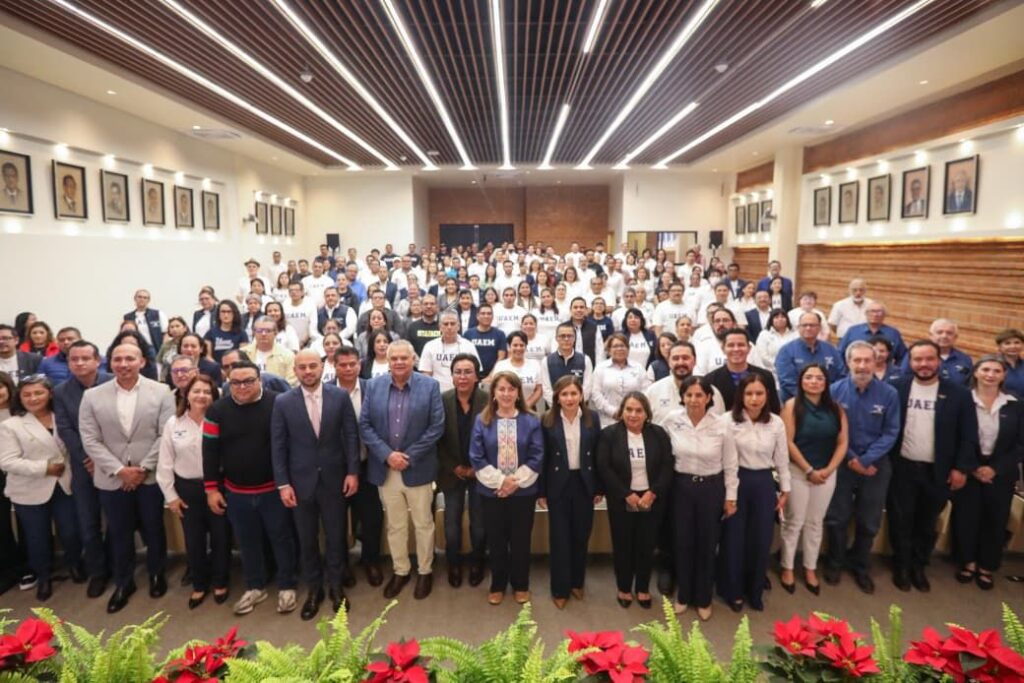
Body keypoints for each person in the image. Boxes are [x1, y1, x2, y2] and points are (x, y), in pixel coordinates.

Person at [79, 343, 175, 613]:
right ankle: (124, 581)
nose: (123, 364)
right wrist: (120, 470)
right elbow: (90, 439)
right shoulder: (92, 396)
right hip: (112, 478)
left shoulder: (161, 391)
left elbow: (165, 434)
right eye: (117, 359)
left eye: (129, 359)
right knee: (119, 532)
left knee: (154, 527)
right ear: (109, 363)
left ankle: (157, 574)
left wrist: (143, 468)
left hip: (149, 476)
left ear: (141, 361)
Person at [203, 359, 298, 616]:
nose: (242, 387)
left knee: (282, 538)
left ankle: (287, 585)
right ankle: (255, 586)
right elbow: (209, 452)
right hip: (237, 493)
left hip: (274, 490)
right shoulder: (216, 411)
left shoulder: (279, 403)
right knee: (247, 542)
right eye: (235, 382)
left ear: (260, 380)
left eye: (248, 381)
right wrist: (211, 489)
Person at [272, 350, 359, 619]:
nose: (308, 371)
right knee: (307, 540)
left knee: (336, 537)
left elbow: (351, 436)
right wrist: (283, 484)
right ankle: (314, 590)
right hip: (299, 484)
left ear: (322, 367)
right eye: (302, 367)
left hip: (334, 480)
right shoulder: (283, 402)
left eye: (312, 366)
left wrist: (353, 472)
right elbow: (278, 446)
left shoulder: (339, 396)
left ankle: (336, 587)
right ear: (295, 370)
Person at [887, 340, 978, 593]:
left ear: (939, 361)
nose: (923, 364)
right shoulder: (897, 388)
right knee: (901, 519)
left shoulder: (959, 394)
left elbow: (968, 435)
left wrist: (961, 468)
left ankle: (919, 566)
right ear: (910, 362)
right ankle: (901, 565)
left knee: (927, 523)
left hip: (938, 471)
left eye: (929, 359)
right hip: (903, 467)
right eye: (917, 359)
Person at [359, 340, 445, 600]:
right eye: (393, 358)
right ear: (387, 360)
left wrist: (409, 456)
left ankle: (425, 570)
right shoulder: (373, 386)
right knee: (395, 525)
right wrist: (388, 455)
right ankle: (401, 570)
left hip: (417, 467)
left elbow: (436, 426)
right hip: (386, 469)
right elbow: (365, 425)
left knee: (423, 523)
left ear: (413, 359)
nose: (398, 362)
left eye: (403, 358)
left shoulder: (430, 386)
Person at [824, 341, 901, 594]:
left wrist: (866, 460)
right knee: (837, 517)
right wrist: (853, 459)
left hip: (876, 466)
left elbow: (891, 432)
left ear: (876, 362)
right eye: (857, 360)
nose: (862, 365)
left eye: (868, 360)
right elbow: (832, 429)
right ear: (848, 362)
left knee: (869, 520)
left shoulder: (889, 394)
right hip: (842, 462)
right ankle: (835, 563)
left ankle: (861, 566)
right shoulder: (834, 391)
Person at [0, 374, 82, 601]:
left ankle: (75, 564)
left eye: (39, 393)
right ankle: (44, 577)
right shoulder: (10, 425)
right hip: (30, 488)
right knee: (37, 537)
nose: (33, 398)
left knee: (70, 531)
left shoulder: (61, 417)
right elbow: (7, 461)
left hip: (64, 484)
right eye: (27, 394)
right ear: (19, 397)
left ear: (50, 394)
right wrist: (45, 468)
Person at [664, 376, 737, 621]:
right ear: (682, 397)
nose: (693, 400)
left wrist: (731, 497)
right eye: (689, 395)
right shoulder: (672, 420)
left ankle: (704, 597)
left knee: (707, 543)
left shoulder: (722, 425)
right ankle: (684, 594)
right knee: (682, 542)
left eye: (699, 395)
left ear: (708, 398)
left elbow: (731, 463)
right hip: (681, 487)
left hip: (711, 488)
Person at [717, 374, 791, 613]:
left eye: (759, 393)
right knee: (734, 539)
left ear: (767, 395)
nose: (754, 399)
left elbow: (782, 459)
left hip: (763, 483)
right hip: (736, 481)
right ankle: (733, 591)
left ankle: (755, 590)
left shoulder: (776, 423)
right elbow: (726, 460)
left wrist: (785, 489)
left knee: (760, 539)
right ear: (741, 395)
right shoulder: (727, 420)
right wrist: (729, 495)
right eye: (749, 393)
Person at [469, 372, 544, 606]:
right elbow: (476, 457)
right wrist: (501, 482)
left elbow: (537, 455)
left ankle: (521, 585)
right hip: (492, 492)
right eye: (501, 389)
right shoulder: (482, 420)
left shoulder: (531, 420)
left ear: (518, 393)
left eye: (511, 389)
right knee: (496, 540)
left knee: (521, 540)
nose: (506, 394)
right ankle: (498, 585)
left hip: (523, 492)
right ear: (493, 393)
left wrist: (514, 483)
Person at [156, 374, 229, 609]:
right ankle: (199, 584)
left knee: (221, 537)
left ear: (214, 397)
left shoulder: (221, 420)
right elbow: (164, 464)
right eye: (196, 391)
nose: (202, 396)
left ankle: (220, 582)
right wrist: (171, 497)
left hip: (218, 487)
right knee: (194, 540)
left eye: (207, 392)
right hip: (187, 489)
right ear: (186, 395)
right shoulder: (173, 423)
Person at [950, 355, 1023, 590]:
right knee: (967, 517)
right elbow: (954, 435)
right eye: (986, 370)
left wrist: (995, 469)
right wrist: (971, 467)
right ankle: (967, 562)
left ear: (1004, 375)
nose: (990, 375)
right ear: (976, 372)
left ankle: (987, 565)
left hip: (1001, 472)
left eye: (996, 371)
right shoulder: (962, 400)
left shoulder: (1015, 404)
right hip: (968, 467)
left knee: (995, 518)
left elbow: (1020, 444)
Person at [596, 392, 672, 609]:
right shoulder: (609, 435)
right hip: (622, 500)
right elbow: (604, 467)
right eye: (629, 409)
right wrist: (626, 494)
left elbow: (667, 466)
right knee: (623, 545)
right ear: (622, 412)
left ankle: (642, 588)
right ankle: (623, 587)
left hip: (651, 499)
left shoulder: (658, 434)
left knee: (646, 545)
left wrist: (652, 493)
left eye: (639, 410)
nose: (633, 414)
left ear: (647, 413)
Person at [778, 364, 848, 597]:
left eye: (819, 378)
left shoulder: (836, 408)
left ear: (826, 382)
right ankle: (787, 568)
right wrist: (808, 470)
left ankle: (810, 568)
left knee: (815, 523)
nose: (814, 381)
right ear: (801, 381)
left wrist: (829, 469)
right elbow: (788, 442)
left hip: (826, 474)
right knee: (794, 521)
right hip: (798, 472)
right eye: (809, 377)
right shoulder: (791, 406)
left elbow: (842, 442)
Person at [52, 340, 112, 598]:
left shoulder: (113, 382)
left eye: (85, 358)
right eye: (73, 359)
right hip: (83, 467)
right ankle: (98, 571)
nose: (79, 363)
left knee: (119, 521)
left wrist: (104, 459)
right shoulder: (61, 391)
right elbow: (65, 429)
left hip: (114, 463)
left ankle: (117, 564)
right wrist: (88, 458)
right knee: (88, 523)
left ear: (97, 361)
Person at [538, 375, 601, 609]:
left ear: (581, 395)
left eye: (574, 393)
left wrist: (599, 487)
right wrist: (541, 491)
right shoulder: (547, 419)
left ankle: (577, 582)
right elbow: (543, 458)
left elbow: (598, 455)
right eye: (564, 394)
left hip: (584, 483)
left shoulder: (592, 418)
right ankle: (560, 588)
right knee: (560, 538)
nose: (570, 398)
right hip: (558, 484)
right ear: (557, 397)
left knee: (580, 536)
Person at [332, 347, 383, 586]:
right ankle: (342, 565)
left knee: (372, 518)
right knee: (336, 521)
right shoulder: (326, 391)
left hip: (367, 464)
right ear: (334, 366)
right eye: (343, 365)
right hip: (335, 469)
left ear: (359, 365)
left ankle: (370, 561)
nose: (348, 368)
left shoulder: (372, 389)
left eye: (352, 364)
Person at [437, 353, 488, 589]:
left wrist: (479, 467)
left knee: (479, 524)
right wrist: (453, 466)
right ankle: (453, 564)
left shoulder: (488, 400)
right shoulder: (442, 400)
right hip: (452, 472)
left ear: (477, 376)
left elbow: (494, 438)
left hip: (481, 473)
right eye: (458, 372)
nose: (463, 376)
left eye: (468, 372)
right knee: (451, 524)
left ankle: (478, 563)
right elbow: (436, 439)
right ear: (452, 376)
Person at [705, 328, 781, 413]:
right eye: (731, 345)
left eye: (741, 345)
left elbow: (774, 410)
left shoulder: (766, 376)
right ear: (723, 349)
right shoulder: (711, 380)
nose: (736, 349)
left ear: (749, 348)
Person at [775, 312, 846, 403]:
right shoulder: (786, 351)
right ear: (798, 328)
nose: (808, 328)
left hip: (828, 402)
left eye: (812, 325)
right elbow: (788, 382)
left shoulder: (831, 350)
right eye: (804, 325)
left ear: (819, 328)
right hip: (797, 403)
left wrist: (826, 397)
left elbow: (841, 376)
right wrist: (812, 399)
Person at [590, 334, 651, 428]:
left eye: (622, 345)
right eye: (615, 346)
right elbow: (595, 393)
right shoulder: (600, 368)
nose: (619, 349)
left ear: (628, 349)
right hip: (608, 421)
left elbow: (646, 392)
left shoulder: (638, 368)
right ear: (609, 350)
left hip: (634, 419)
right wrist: (613, 412)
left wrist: (633, 411)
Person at [419, 310, 479, 393]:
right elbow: (426, 375)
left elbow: (476, 374)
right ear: (440, 327)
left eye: (452, 324)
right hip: (437, 394)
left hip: (463, 394)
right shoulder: (429, 346)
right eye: (446, 324)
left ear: (458, 326)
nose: (449, 327)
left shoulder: (469, 346)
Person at [900, 319, 973, 387]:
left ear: (955, 337)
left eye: (949, 333)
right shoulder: (916, 355)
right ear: (931, 335)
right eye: (939, 332)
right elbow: (904, 378)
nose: (944, 336)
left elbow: (969, 385)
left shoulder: (965, 359)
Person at [540, 322, 594, 405]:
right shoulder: (546, 361)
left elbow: (587, 388)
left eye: (570, 336)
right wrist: (561, 405)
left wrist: (573, 405)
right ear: (556, 338)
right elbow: (546, 389)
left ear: (575, 338)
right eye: (562, 336)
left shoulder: (585, 360)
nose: (566, 339)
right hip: (554, 408)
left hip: (579, 408)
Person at [490, 331, 542, 410]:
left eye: (522, 345)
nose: (518, 348)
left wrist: (526, 406)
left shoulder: (535, 364)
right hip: (504, 409)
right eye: (515, 345)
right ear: (509, 347)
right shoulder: (500, 366)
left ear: (526, 346)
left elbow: (539, 389)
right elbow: (495, 389)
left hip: (529, 409)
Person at [242, 317, 297, 386]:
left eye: (268, 331)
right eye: (259, 330)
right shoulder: (243, 353)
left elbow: (291, 383)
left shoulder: (288, 355)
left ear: (275, 333)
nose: (263, 334)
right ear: (254, 333)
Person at [996, 328, 1024, 399]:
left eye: (1017, 342)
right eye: (1007, 343)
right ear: (1000, 346)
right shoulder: (993, 365)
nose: (1013, 346)